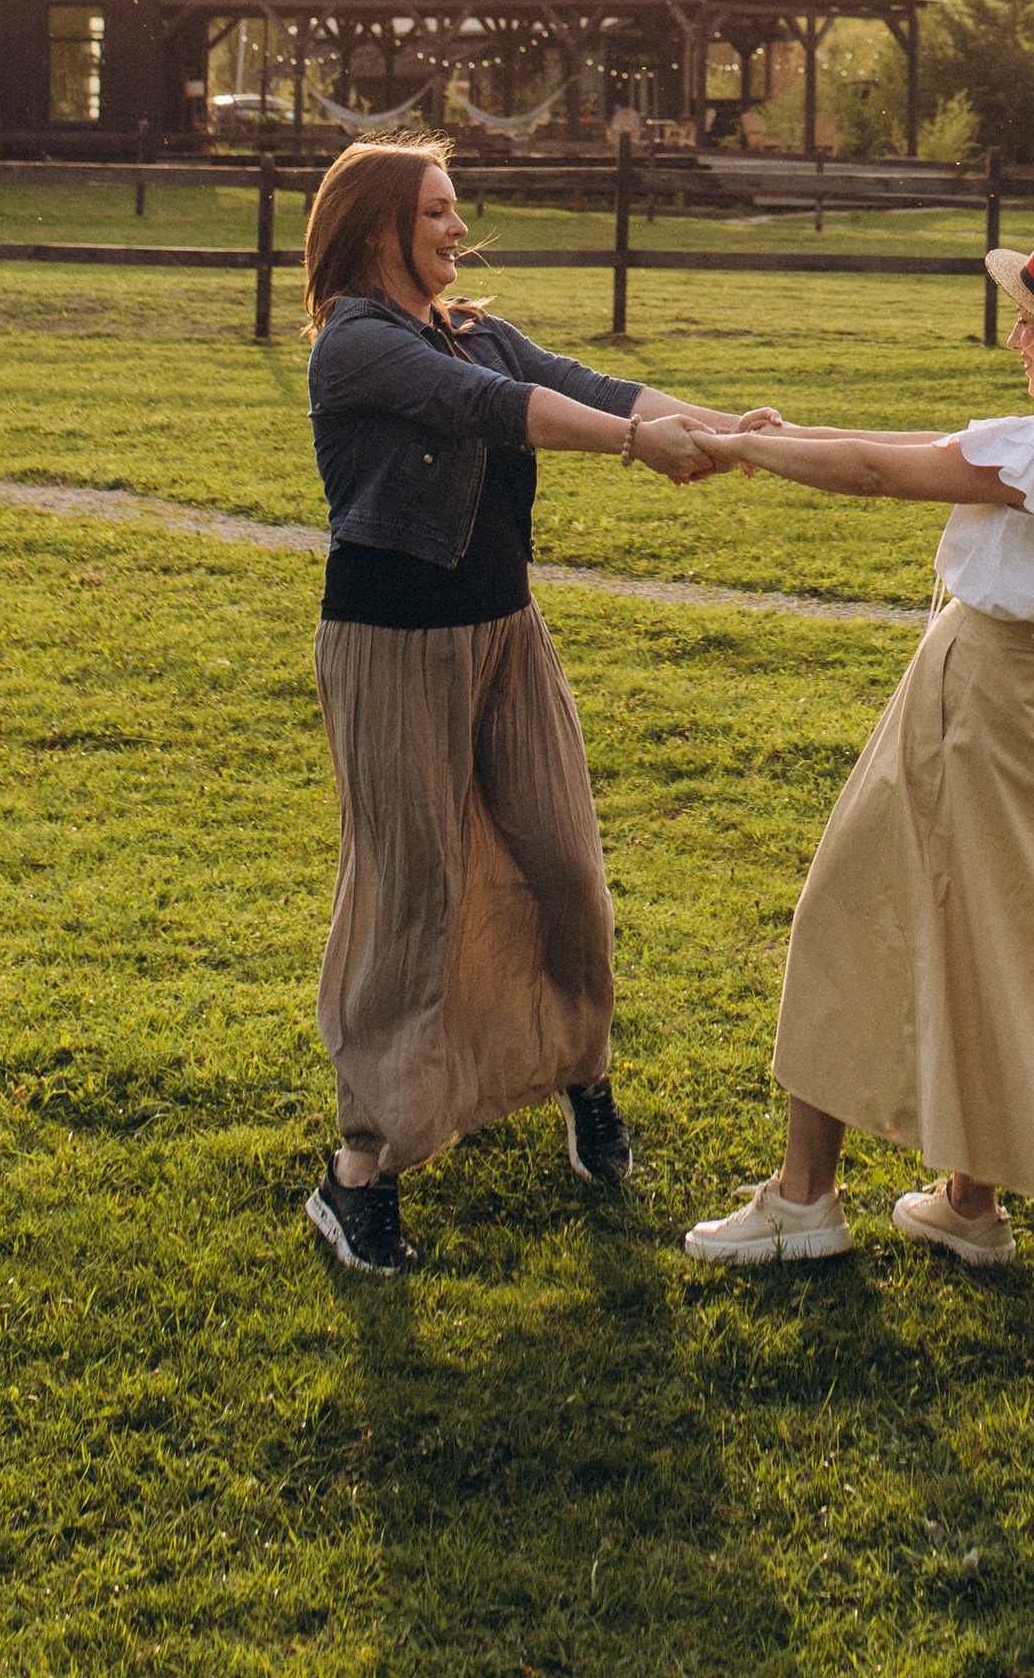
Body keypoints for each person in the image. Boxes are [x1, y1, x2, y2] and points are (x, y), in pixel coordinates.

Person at [671, 219, 1034, 1271]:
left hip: (976, 699)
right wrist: (782, 432)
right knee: (1007, 930)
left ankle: (804, 1199)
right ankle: (968, 1202)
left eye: (1023, 321)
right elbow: (921, 451)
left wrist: (748, 447)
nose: (1012, 336)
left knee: (850, 906)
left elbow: (892, 474)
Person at [300, 138, 775, 1276]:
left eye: (455, 212)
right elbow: (490, 409)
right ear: (376, 228)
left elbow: (584, 384)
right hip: (392, 644)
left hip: (504, 632)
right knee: (411, 894)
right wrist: (636, 449)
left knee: (564, 866)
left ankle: (581, 1078)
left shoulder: (468, 324)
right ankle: (356, 1176)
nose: (458, 233)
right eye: (437, 213)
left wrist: (731, 431)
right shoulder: (359, 346)